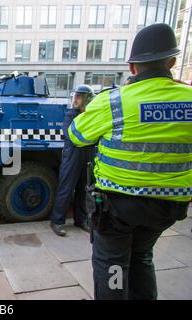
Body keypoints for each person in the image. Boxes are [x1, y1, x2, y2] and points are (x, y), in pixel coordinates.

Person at [68, 23, 191, 300]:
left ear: (132, 68)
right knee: (142, 257)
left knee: (112, 264)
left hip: (118, 206)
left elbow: (76, 136)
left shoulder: (113, 101)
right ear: (172, 62)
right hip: (169, 205)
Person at [50, 85, 96, 237]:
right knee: (66, 189)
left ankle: (81, 220)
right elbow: (71, 135)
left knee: (84, 190)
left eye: (79, 96)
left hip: (88, 155)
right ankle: (57, 221)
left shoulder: (92, 115)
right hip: (73, 156)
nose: (76, 99)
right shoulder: (71, 115)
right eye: (75, 96)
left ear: (87, 99)